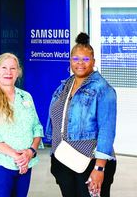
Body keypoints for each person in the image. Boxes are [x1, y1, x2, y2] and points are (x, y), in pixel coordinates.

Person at [46, 32, 117, 197]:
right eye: (75, 59)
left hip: (90, 162)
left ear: (93, 61)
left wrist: (99, 168)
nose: (80, 63)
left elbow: (107, 130)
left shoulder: (103, 89)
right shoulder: (65, 86)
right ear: (70, 60)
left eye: (85, 59)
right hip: (64, 159)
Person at [0, 53, 44, 197]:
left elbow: (37, 128)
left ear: (18, 72)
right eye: (4, 68)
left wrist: (29, 152)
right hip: (0, 165)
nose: (8, 72)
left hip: (26, 164)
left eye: (13, 68)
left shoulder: (26, 97)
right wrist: (16, 156)